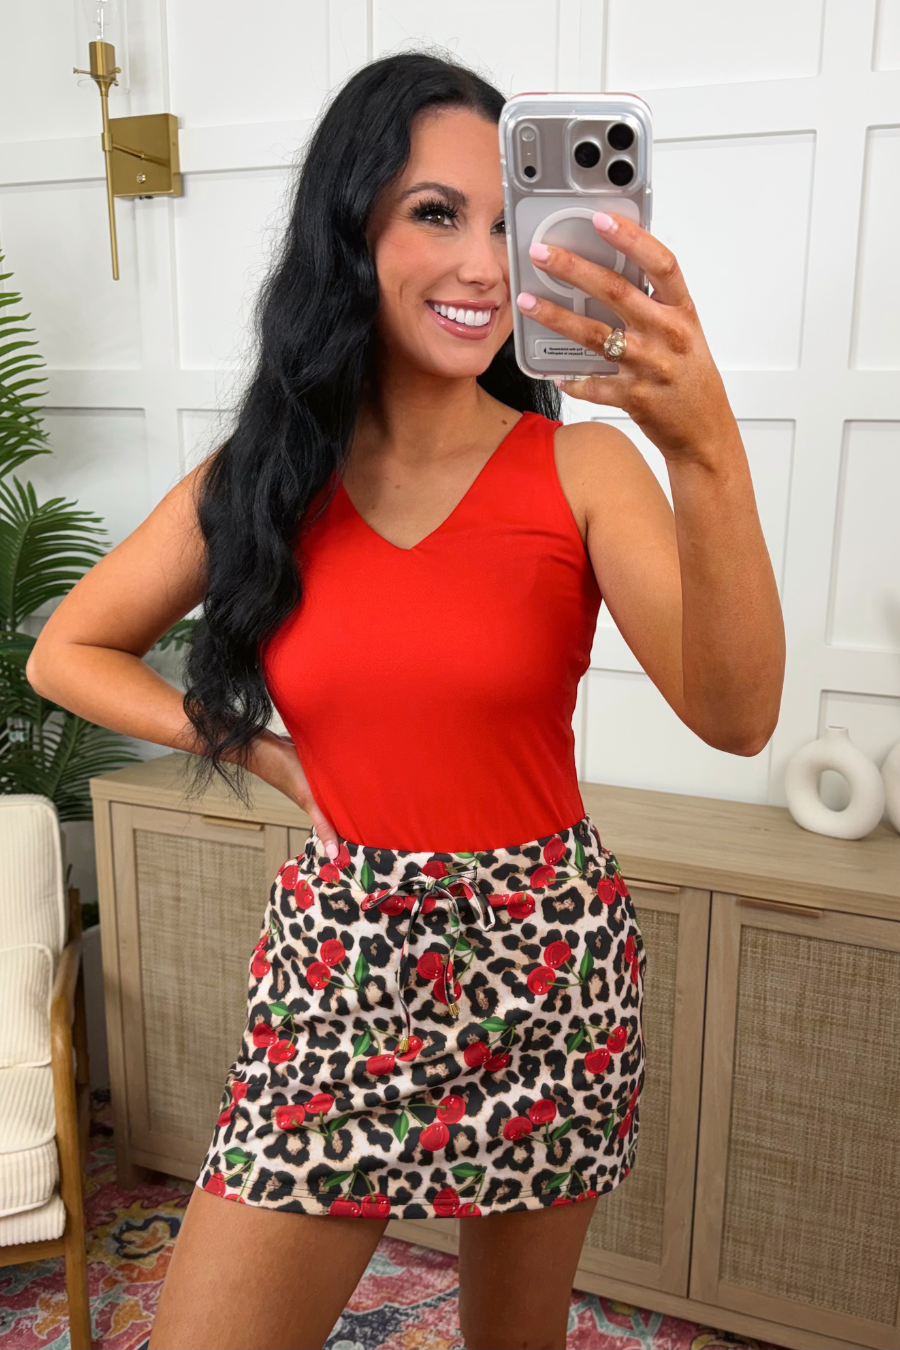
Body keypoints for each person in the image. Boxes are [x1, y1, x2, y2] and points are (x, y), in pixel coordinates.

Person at [26, 50, 784, 1350]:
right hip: (343, 962)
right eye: (438, 213)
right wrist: (261, 754)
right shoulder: (264, 480)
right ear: (352, 229)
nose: (484, 264)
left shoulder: (584, 469)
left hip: (546, 964)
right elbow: (69, 650)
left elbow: (736, 714)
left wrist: (704, 448)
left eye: (509, 221)